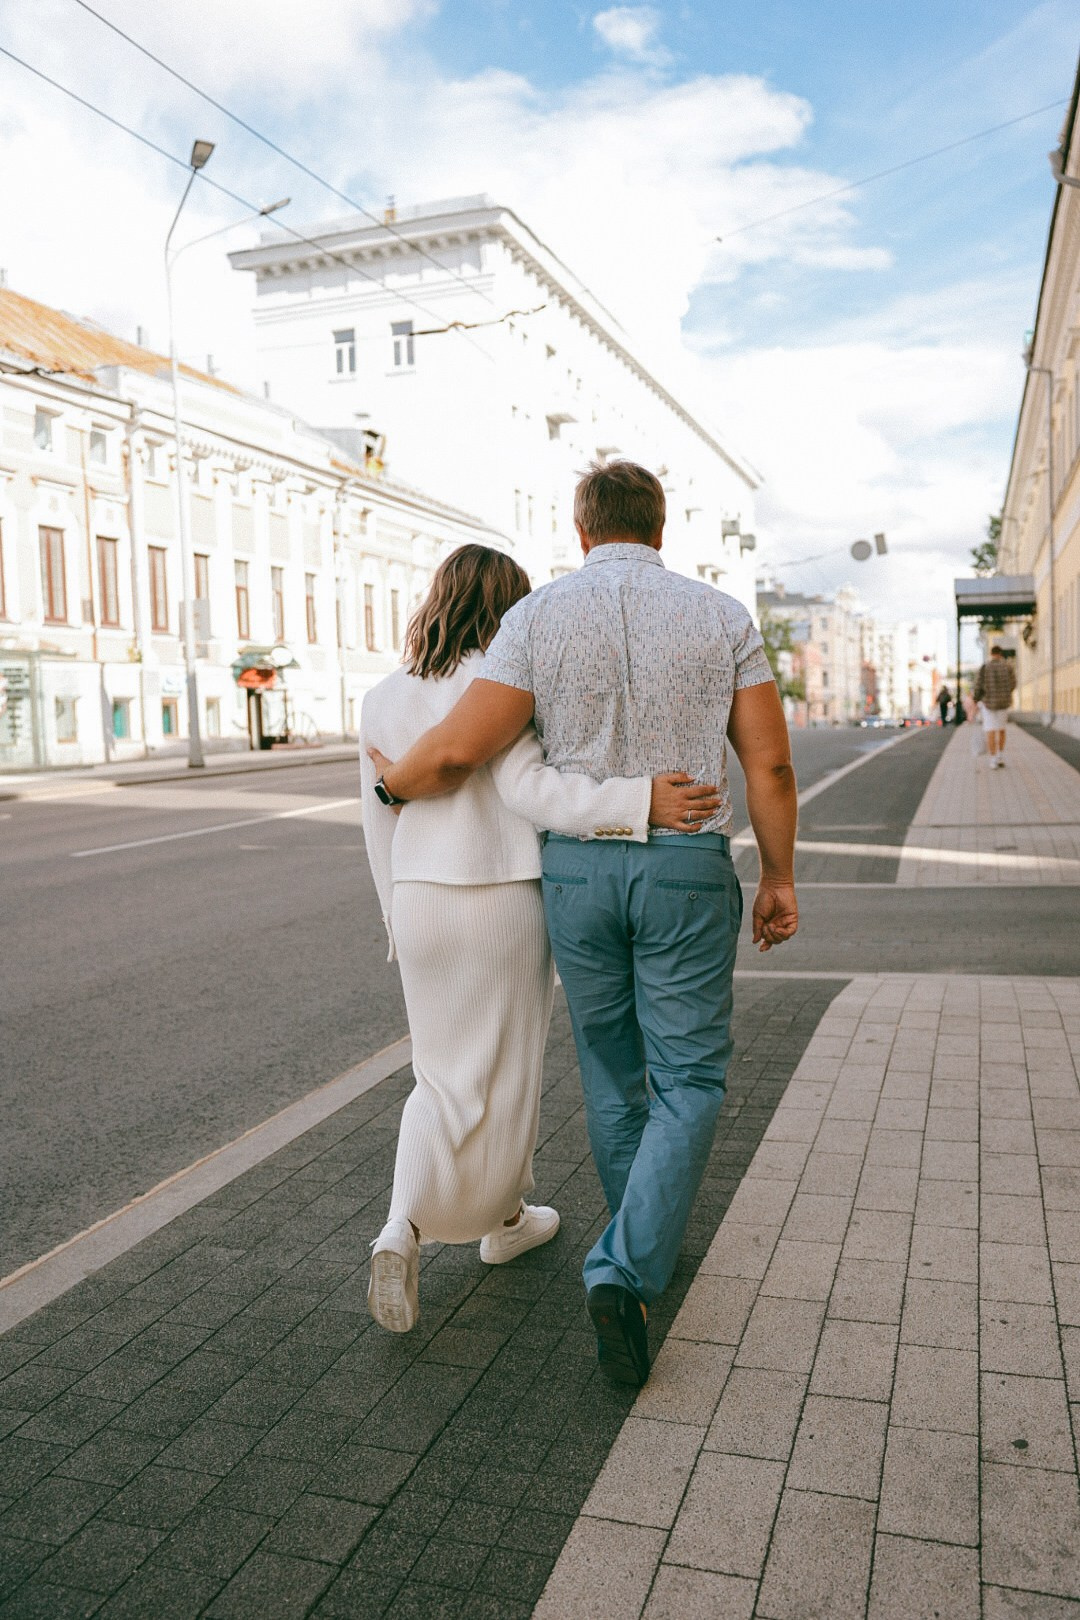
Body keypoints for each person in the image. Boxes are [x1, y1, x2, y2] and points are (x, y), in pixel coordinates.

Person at [368, 462, 798, 1387]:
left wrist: (388, 783)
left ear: (578, 529)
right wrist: (780, 877)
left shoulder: (534, 619)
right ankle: (627, 1263)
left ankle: (631, 1243)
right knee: (688, 1076)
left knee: (610, 1070)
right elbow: (770, 769)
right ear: (662, 525)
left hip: (575, 873)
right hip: (684, 866)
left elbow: (460, 751)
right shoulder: (722, 617)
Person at [359, 543, 720, 1334]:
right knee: (510, 1070)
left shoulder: (383, 698)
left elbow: (375, 819)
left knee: (438, 1075)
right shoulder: (508, 688)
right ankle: (503, 1220)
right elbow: (533, 790)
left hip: (420, 896)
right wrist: (638, 802)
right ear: (513, 610)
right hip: (505, 896)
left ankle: (406, 1229)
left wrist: (396, 916)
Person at [972, 645, 1016, 769]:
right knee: (1001, 729)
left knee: (991, 731)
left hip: (988, 704)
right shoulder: (1008, 667)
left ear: (991, 654)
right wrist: (1005, 694)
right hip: (1003, 703)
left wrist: (976, 699)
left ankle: (992, 760)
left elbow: (978, 685)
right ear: (1000, 654)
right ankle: (1000, 756)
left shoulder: (985, 667)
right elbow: (1013, 683)